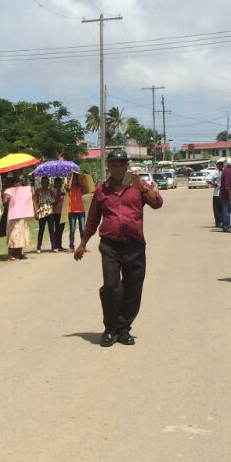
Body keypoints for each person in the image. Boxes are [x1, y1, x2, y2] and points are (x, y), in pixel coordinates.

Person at [74, 149, 164, 347]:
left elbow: (158, 203)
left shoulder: (138, 186)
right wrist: (83, 243)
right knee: (112, 288)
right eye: (113, 164)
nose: (117, 168)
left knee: (133, 289)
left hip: (135, 245)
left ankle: (123, 329)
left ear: (126, 166)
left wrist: (141, 188)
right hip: (110, 246)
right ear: (108, 167)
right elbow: (93, 218)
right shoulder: (102, 190)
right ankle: (110, 327)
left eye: (121, 164)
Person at [3, 174, 34, 260]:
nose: (19, 183)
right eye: (17, 182)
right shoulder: (8, 191)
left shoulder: (24, 191)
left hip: (22, 216)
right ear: (13, 183)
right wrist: (8, 201)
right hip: (13, 217)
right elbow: (4, 204)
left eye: (20, 181)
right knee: (13, 235)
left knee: (22, 235)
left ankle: (19, 253)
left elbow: (31, 197)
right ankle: (11, 254)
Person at [34, 177, 58, 252]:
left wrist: (56, 195)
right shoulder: (38, 191)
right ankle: (38, 247)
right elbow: (35, 201)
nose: (45, 184)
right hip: (42, 213)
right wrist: (36, 212)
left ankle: (53, 247)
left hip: (50, 213)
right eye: (44, 182)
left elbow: (55, 200)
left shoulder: (50, 191)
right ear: (41, 183)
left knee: (51, 230)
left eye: (47, 182)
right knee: (41, 230)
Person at [67, 177, 86, 248]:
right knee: (72, 229)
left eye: (75, 179)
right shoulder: (69, 188)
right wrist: (72, 176)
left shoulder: (80, 187)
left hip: (81, 210)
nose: (74, 180)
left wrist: (79, 179)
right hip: (72, 211)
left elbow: (85, 189)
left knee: (83, 229)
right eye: (73, 179)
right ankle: (71, 246)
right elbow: (68, 187)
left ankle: (83, 245)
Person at [218, 159, 231, 232]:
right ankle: (226, 226)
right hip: (226, 195)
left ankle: (226, 224)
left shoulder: (227, 170)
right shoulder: (228, 172)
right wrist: (230, 195)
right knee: (227, 210)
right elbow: (227, 185)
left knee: (226, 210)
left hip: (225, 194)